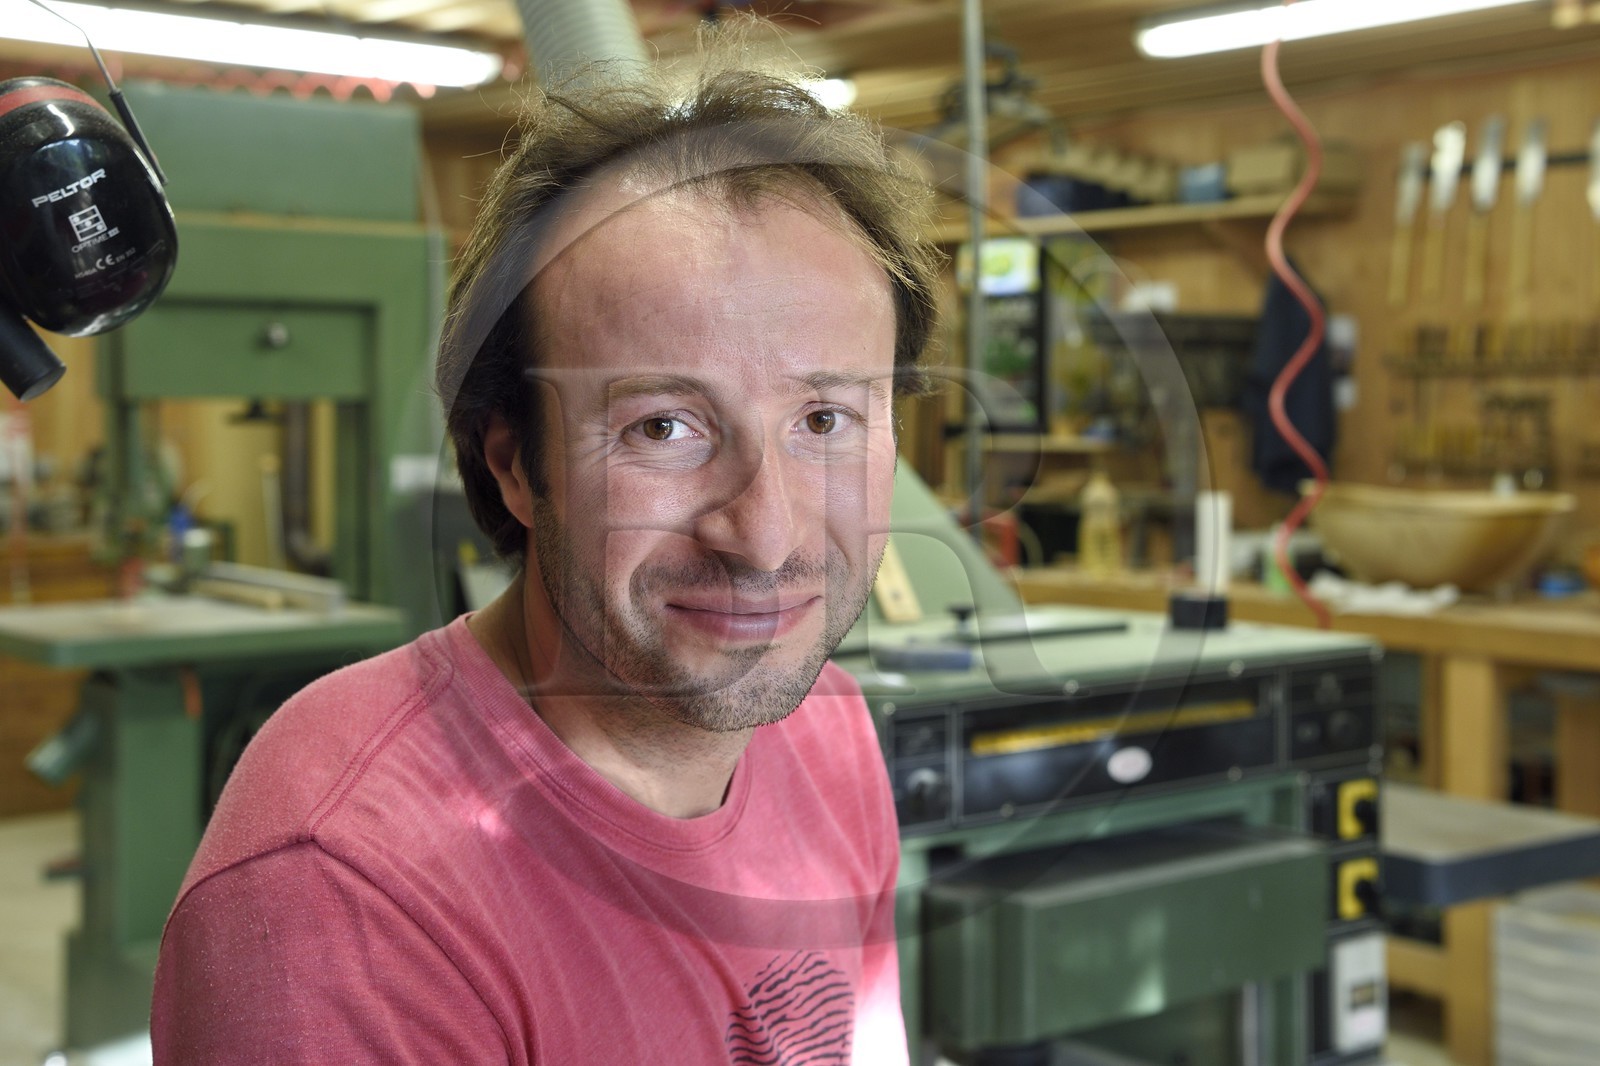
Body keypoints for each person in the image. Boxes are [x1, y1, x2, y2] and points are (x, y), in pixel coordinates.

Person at [150, 46, 942, 1066]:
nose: (767, 535)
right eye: (663, 428)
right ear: (516, 464)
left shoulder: (828, 732)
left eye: (824, 416)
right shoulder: (339, 896)